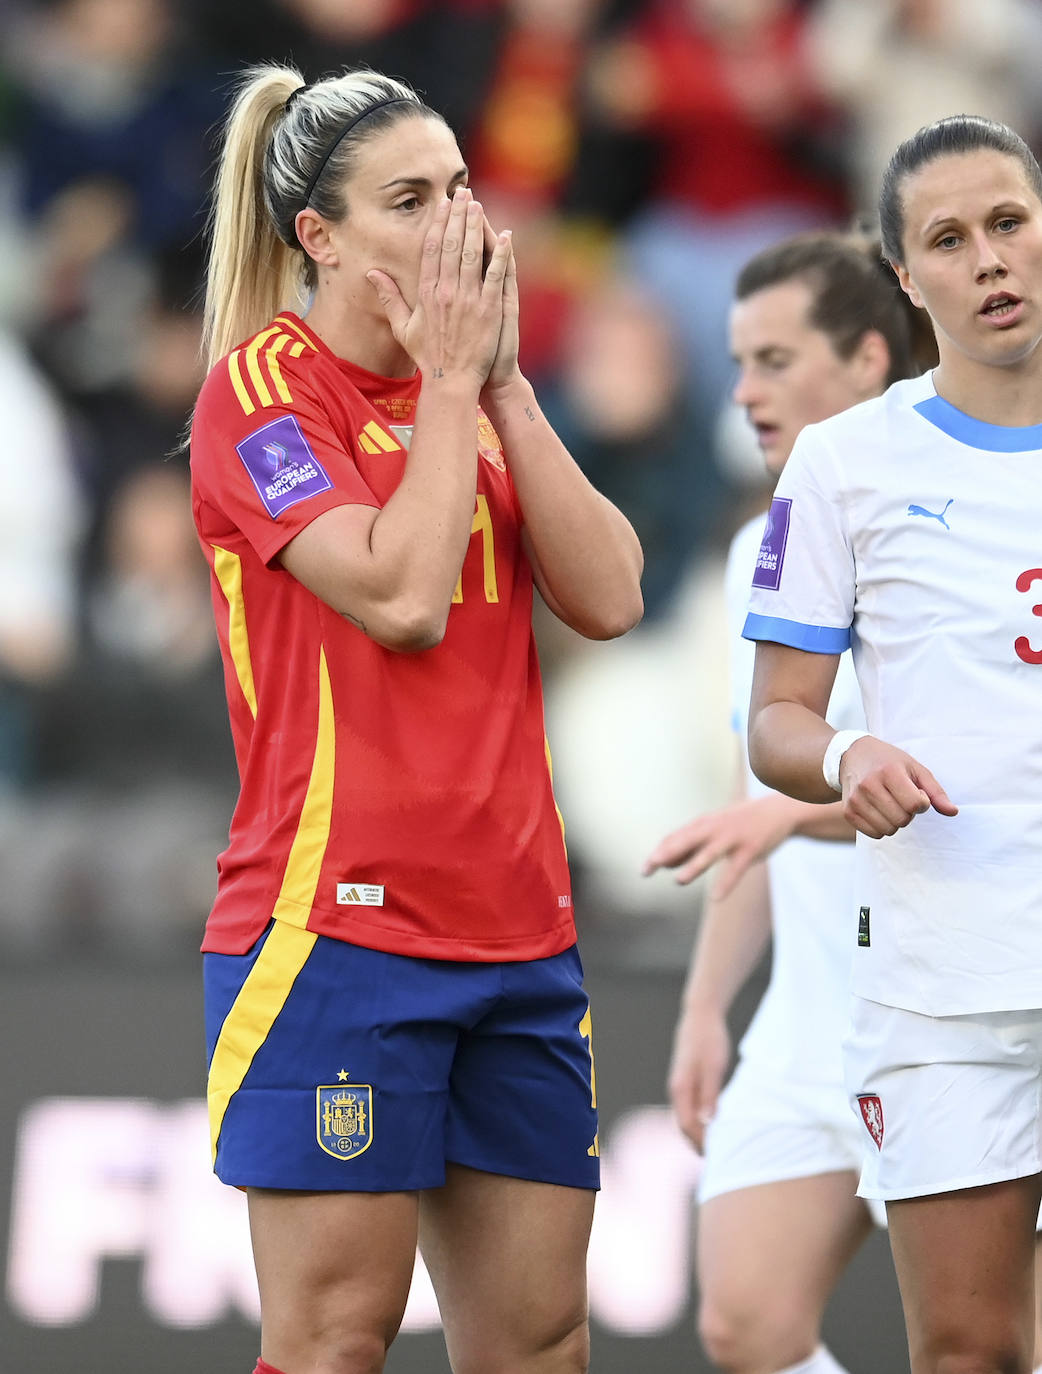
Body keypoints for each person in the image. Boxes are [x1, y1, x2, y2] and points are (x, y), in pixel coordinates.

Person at [189, 63, 644, 1374]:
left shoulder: (483, 393)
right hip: (338, 927)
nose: (456, 223)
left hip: (517, 930)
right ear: (318, 239)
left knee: (538, 1338)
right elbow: (399, 597)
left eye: (458, 188)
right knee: (337, 1336)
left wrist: (500, 386)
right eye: (409, 198)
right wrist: (450, 386)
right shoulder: (262, 392)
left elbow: (607, 594)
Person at [742, 115, 1042, 1374]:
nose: (988, 258)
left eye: (1009, 222)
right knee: (966, 1350)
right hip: (941, 979)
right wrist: (843, 759)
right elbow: (776, 721)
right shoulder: (846, 462)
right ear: (907, 280)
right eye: (948, 238)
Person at [644, 230, 933, 1374]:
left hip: (953, 1013)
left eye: (772, 359)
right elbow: (744, 798)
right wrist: (706, 1008)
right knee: (745, 1325)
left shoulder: (962, 532)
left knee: (982, 1343)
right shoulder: (754, 554)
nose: (745, 393)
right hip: (812, 1022)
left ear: (868, 360)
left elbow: (997, 783)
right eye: (736, 362)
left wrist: (790, 813)